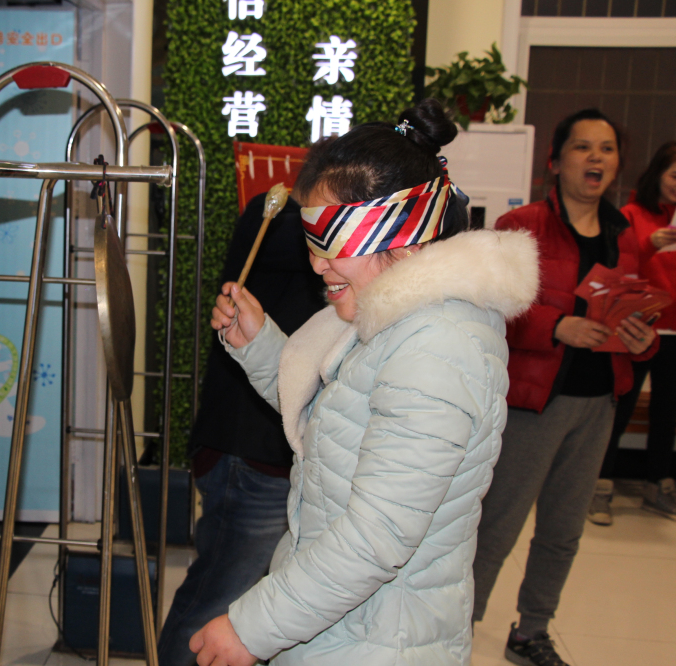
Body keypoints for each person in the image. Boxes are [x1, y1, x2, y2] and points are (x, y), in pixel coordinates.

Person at [189, 98, 540, 666]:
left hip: (378, 642)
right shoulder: (395, 319)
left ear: (402, 232)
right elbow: (341, 419)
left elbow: (376, 536)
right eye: (311, 242)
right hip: (341, 627)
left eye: (332, 242)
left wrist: (253, 627)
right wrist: (259, 345)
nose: (316, 264)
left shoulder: (437, 346)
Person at [472, 109, 659, 666]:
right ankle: (457, 627)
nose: (595, 157)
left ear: (618, 163)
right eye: (582, 147)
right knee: (497, 526)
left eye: (606, 148)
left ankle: (531, 631)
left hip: (598, 402)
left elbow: (635, 319)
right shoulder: (521, 225)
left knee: (563, 530)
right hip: (532, 404)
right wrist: (556, 326)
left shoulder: (626, 235)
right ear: (555, 161)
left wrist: (640, 338)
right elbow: (491, 309)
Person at [156, 191, 325, 666]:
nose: (328, 264)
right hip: (252, 456)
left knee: (238, 607)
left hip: (273, 454)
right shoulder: (280, 223)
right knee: (216, 607)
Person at [593, 140, 676, 523]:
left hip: (674, 330)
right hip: (637, 325)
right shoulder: (631, 214)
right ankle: (600, 485)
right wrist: (648, 245)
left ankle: (658, 484)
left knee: (667, 411)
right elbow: (618, 268)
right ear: (658, 174)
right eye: (674, 175)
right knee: (622, 405)